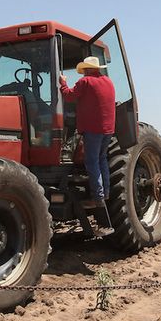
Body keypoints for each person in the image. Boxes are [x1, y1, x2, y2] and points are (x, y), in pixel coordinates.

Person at [59, 56, 116, 208]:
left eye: (84, 70)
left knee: (91, 162)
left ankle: (97, 198)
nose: (83, 73)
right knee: (102, 159)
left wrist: (63, 83)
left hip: (93, 129)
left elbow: (69, 96)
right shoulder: (108, 82)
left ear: (88, 69)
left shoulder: (85, 82)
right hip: (108, 129)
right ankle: (106, 192)